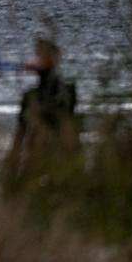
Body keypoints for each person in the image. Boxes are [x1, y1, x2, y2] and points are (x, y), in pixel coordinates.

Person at [9, 37, 79, 175]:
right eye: (38, 55)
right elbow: (20, 133)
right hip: (37, 155)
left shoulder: (65, 91)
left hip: (57, 153)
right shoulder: (31, 95)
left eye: (41, 56)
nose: (36, 60)